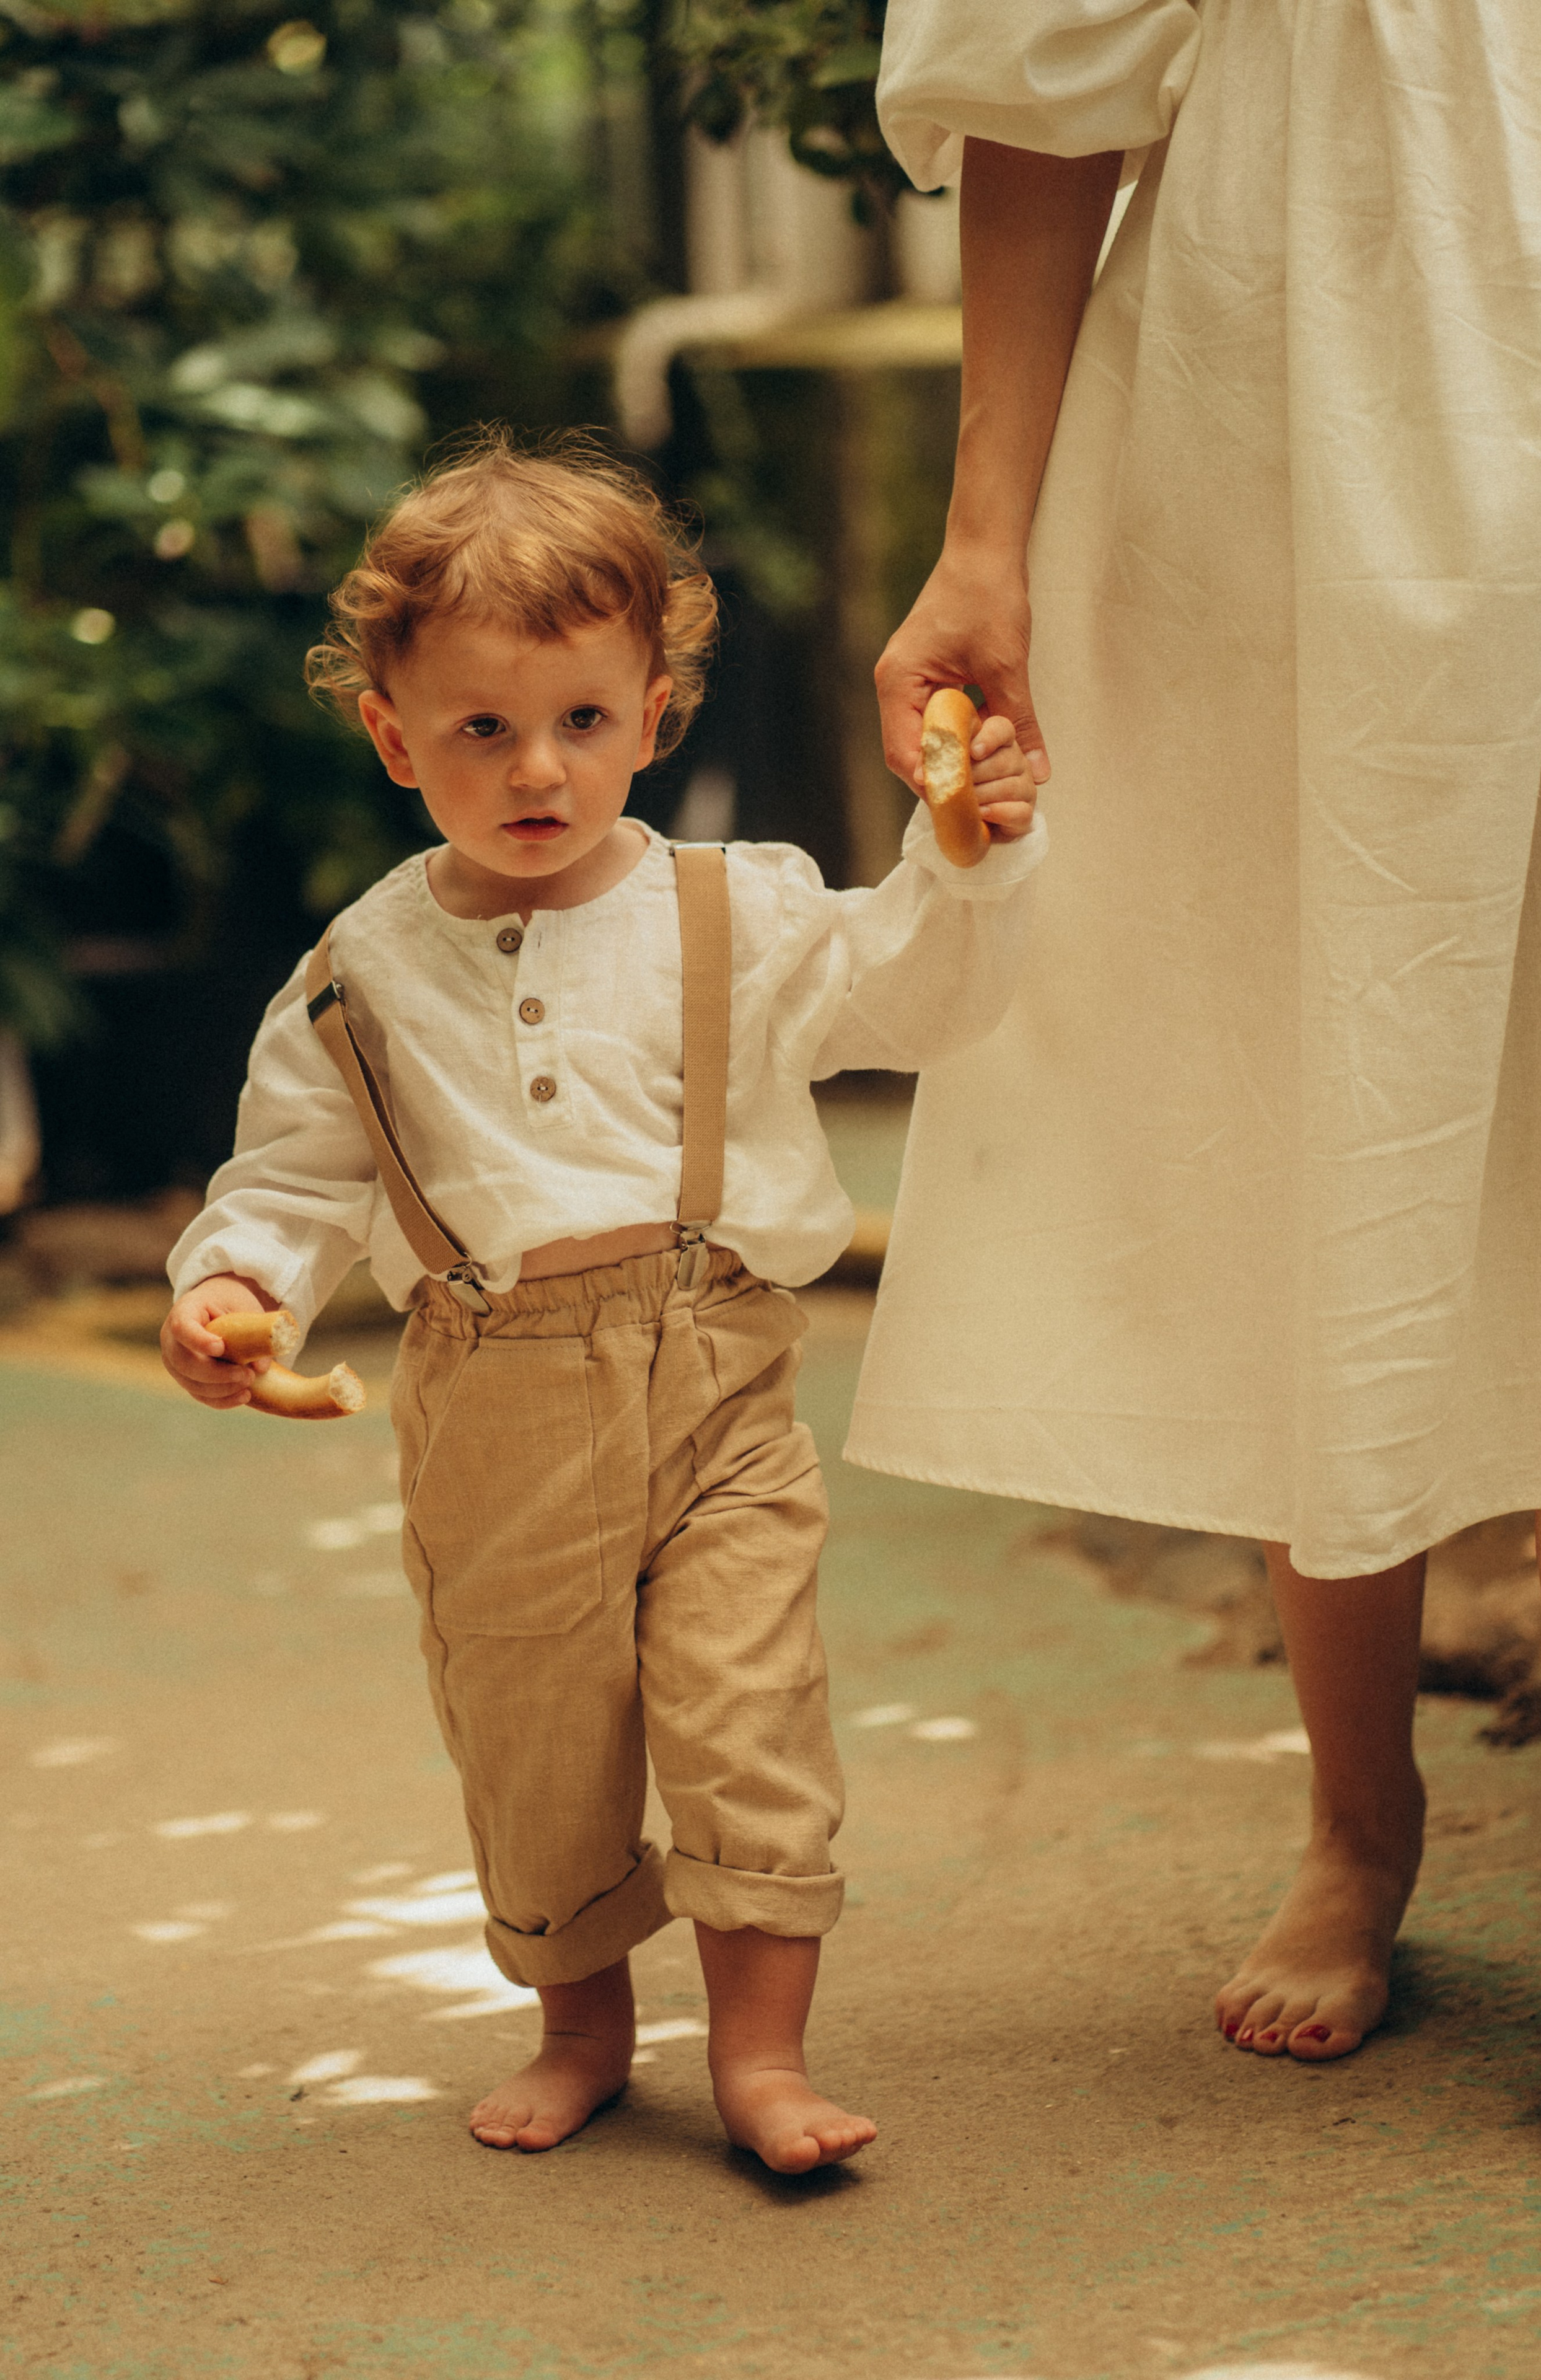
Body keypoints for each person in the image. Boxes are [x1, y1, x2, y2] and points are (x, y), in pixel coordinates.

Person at [848, 0, 1541, 2149]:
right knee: (1325, 1073)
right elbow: (1032, 75)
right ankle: (1362, 1823)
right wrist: (985, 543)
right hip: (1302, 395)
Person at [159, 434, 1043, 2174]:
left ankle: (766, 2063)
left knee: (748, 1702)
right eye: (480, 728)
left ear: (656, 712)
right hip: (492, 1394)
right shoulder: (362, 965)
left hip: (715, 1376)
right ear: (394, 737)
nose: (537, 767)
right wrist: (235, 1289)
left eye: (580, 718)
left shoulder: (743, 909)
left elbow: (921, 1002)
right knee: (534, 1734)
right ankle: (583, 2031)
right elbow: (295, 1176)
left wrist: (961, 862)